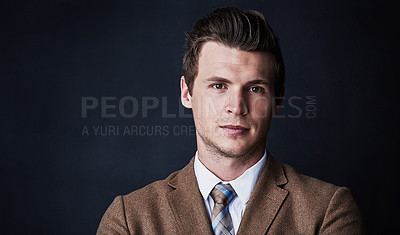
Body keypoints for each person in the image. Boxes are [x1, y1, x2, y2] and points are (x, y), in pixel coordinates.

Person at [97, 6, 364, 234]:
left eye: (255, 88)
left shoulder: (328, 210)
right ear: (187, 93)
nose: (236, 107)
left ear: (278, 100)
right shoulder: (129, 219)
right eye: (218, 86)